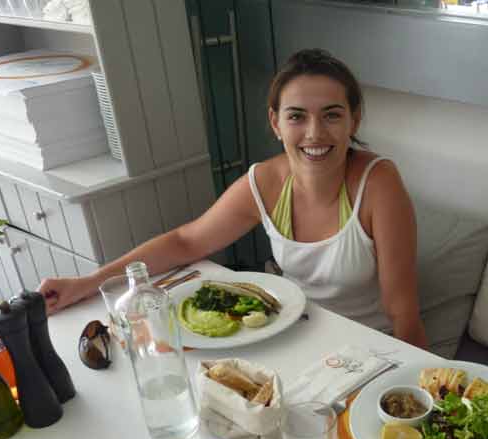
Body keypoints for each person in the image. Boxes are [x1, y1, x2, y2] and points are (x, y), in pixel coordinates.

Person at [38, 49, 428, 348]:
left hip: (366, 346)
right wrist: (87, 283)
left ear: (353, 120)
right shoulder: (265, 181)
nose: (314, 133)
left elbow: (403, 313)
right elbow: (186, 241)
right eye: (296, 116)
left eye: (331, 115)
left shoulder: (379, 184)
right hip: (291, 336)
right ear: (276, 123)